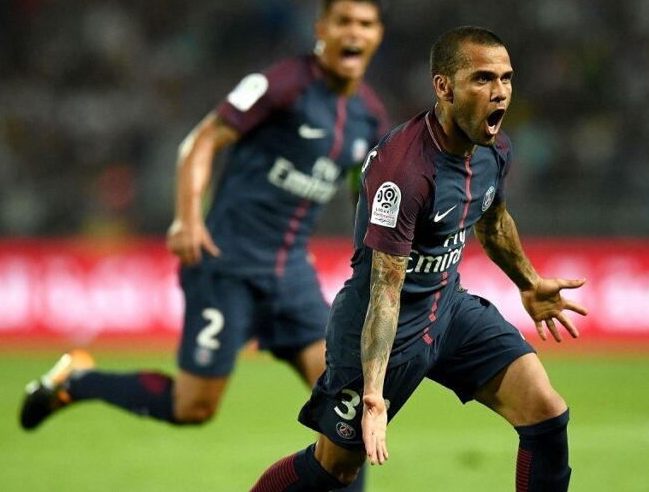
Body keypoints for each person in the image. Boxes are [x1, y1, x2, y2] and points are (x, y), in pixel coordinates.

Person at [20, 0, 389, 490]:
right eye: (343, 21)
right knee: (193, 406)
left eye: (365, 24)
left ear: (378, 35)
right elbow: (202, 140)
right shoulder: (281, 84)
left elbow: (365, 194)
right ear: (321, 29)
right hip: (226, 263)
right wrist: (188, 219)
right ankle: (78, 382)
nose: (353, 33)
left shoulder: (370, 116)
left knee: (347, 404)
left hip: (291, 277)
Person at [248, 25, 588, 492]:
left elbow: (492, 221)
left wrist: (528, 282)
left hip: (448, 309)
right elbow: (386, 291)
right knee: (335, 468)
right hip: (380, 326)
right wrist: (373, 393)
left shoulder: (494, 151)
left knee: (546, 414)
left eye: (506, 78)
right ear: (444, 87)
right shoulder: (404, 171)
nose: (500, 92)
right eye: (483, 78)